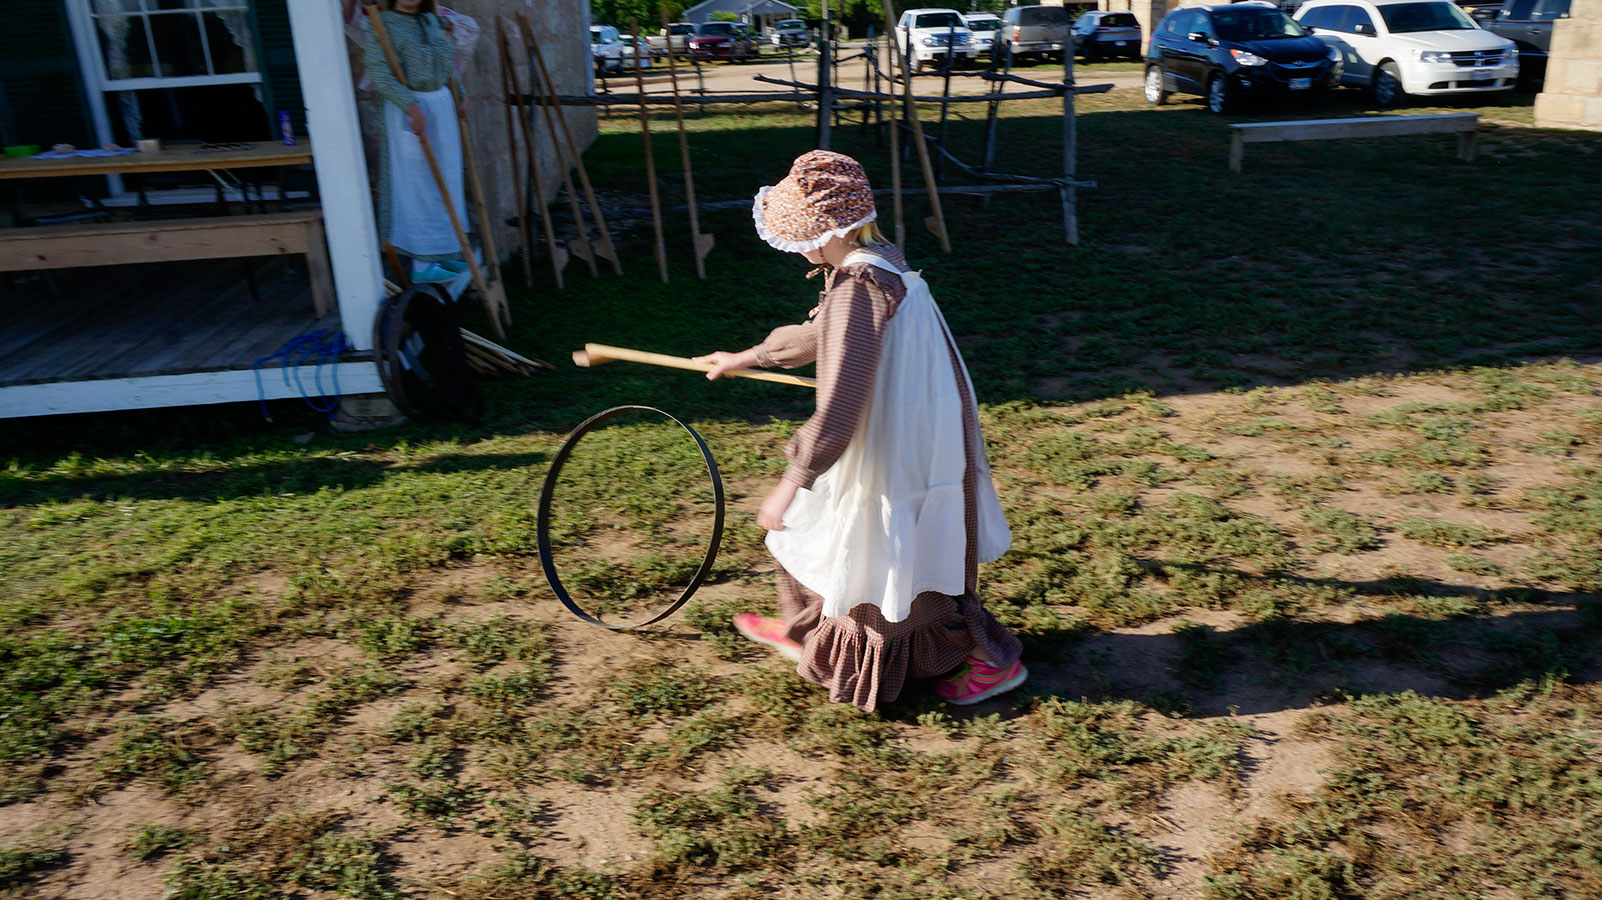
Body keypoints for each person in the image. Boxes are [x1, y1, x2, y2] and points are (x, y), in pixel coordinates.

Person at [693, 151, 1026, 712]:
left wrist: (793, 478)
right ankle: (807, 628)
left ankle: (983, 660)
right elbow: (818, 335)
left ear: (826, 233)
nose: (797, 250)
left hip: (897, 448)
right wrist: (747, 356)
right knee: (873, 544)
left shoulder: (855, 289)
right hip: (922, 430)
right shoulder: (879, 261)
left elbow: (843, 399)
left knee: (880, 548)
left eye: (800, 239)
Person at [362, 0, 471, 283]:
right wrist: (410, 106)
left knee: (445, 180)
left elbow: (446, 64)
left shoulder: (431, 21)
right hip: (409, 112)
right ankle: (423, 264)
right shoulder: (382, 23)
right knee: (417, 184)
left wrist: (461, 93)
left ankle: (444, 251)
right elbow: (379, 72)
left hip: (441, 110)